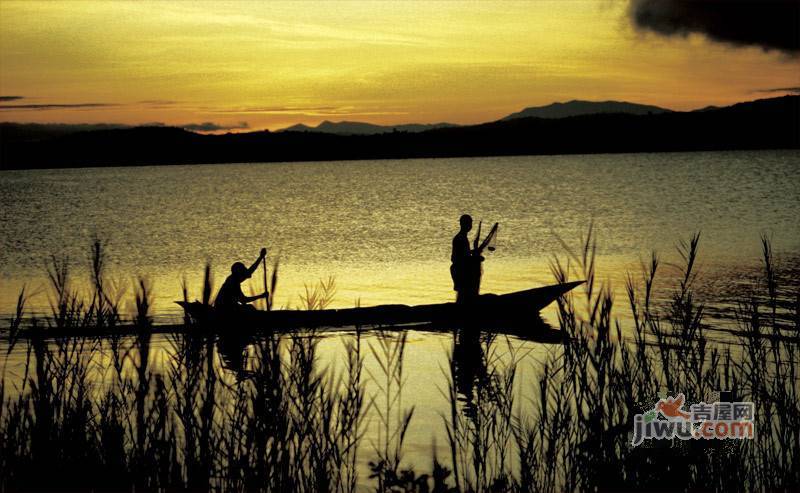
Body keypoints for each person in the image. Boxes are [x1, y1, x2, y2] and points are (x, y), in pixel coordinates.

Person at [450, 214, 483, 303]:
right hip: (461, 273)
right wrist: (475, 258)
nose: (470, 226)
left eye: (470, 223)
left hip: (460, 272)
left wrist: (473, 253)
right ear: (462, 224)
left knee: (463, 297)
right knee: (464, 297)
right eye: (468, 223)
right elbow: (457, 258)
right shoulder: (460, 238)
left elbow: (464, 254)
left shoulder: (462, 237)